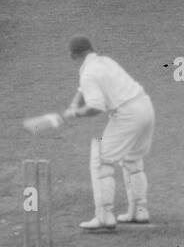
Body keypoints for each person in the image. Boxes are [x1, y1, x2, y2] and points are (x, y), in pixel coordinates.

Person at [61, 36, 155, 232]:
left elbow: (96, 106)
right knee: (132, 160)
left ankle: (104, 216)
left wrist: (75, 113)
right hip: (146, 108)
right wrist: (72, 105)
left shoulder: (88, 74)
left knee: (101, 160)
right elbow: (82, 90)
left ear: (73, 55)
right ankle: (139, 211)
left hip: (127, 115)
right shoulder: (105, 61)